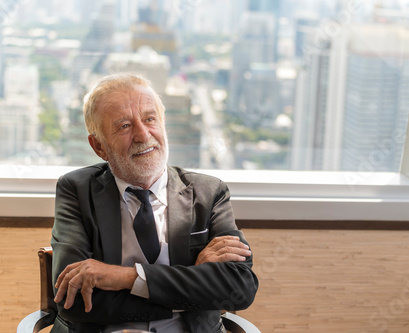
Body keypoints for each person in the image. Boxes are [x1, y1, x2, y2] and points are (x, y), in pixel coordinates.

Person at [50, 72, 259, 333]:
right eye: (124, 126)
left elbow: (239, 287)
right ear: (99, 147)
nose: (142, 134)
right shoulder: (77, 190)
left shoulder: (208, 193)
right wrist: (192, 287)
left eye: (150, 119)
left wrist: (124, 277)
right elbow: (73, 300)